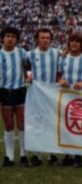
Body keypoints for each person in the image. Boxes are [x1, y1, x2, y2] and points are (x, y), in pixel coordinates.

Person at [27, 28, 62, 166]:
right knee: (36, 123)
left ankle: (52, 154)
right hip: (35, 93)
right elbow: (23, 68)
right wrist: (27, 77)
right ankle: (36, 154)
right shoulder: (30, 54)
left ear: (51, 40)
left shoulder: (56, 53)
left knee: (51, 123)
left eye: (47, 38)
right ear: (37, 39)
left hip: (51, 94)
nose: (45, 40)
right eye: (42, 37)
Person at [59, 33, 82, 168]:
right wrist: (62, 81)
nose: (74, 43)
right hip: (66, 96)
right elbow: (57, 77)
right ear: (69, 43)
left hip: (80, 97)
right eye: (72, 40)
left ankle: (78, 156)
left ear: (81, 44)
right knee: (66, 125)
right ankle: (67, 155)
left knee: (78, 126)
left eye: (77, 41)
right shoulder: (63, 59)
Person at [0, 27, 29, 167]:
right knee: (9, 126)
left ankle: (23, 155)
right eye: (8, 36)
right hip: (4, 92)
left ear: (16, 39)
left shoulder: (22, 53)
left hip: (20, 91)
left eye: (13, 36)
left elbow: (29, 67)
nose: (10, 38)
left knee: (22, 125)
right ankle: (9, 157)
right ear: (3, 38)